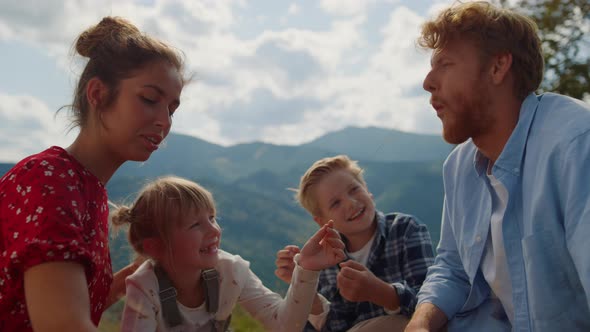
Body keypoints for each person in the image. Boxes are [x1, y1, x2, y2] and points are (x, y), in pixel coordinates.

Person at [405, 2, 590, 331]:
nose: (428, 82)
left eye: (445, 64)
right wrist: (419, 324)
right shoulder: (459, 166)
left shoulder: (575, 144)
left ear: (498, 67)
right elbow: (453, 268)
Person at [0, 16, 187, 331]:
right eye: (150, 99)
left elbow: (65, 306)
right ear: (98, 94)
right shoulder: (50, 178)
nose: (164, 121)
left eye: (172, 109)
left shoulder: (87, 188)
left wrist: (133, 276)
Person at [111, 176, 346, 332]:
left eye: (212, 218)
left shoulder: (230, 271)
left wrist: (306, 269)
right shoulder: (144, 287)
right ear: (156, 246)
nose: (213, 230)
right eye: (195, 225)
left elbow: (285, 325)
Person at [275, 155, 435, 331]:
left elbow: (433, 303)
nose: (351, 203)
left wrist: (382, 293)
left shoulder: (405, 230)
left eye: (354, 190)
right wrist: (305, 290)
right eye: (335, 203)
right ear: (321, 221)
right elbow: (334, 327)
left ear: (367, 189)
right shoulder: (323, 260)